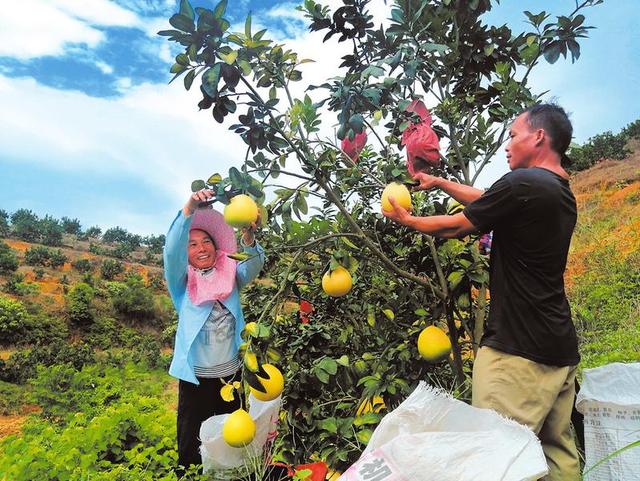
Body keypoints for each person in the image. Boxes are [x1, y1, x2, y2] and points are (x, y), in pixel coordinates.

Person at [383, 103, 580, 481]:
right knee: (557, 456)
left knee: (496, 459)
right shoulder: (556, 190)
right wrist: (439, 182)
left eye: (513, 135)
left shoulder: (523, 184)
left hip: (518, 352)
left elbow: (458, 227)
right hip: (558, 346)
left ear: (538, 136)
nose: (507, 145)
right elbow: (489, 201)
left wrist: (408, 220)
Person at [163, 188, 265, 475]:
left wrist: (248, 238)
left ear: (215, 245)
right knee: (190, 442)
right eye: (192, 245)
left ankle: (234, 474)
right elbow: (171, 252)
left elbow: (253, 266)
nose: (201, 248)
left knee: (232, 437)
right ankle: (191, 474)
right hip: (196, 379)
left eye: (206, 241)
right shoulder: (182, 285)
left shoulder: (230, 274)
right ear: (187, 254)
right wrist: (190, 207)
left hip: (230, 376)